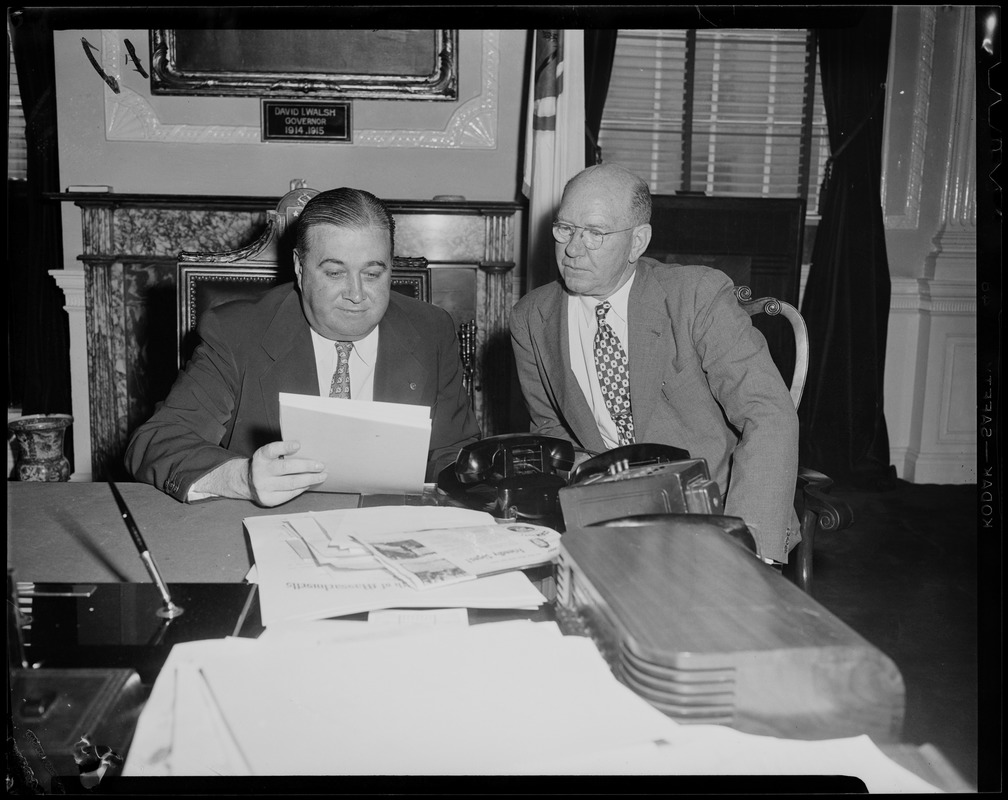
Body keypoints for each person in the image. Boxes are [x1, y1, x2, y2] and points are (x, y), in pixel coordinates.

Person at [509, 163, 799, 564]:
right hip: (600, 517)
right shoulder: (531, 317)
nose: (573, 248)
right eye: (565, 229)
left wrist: (748, 549)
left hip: (713, 513)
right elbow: (550, 429)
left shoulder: (696, 295)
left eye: (595, 233)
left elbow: (768, 412)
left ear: (636, 242)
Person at [126, 187, 480, 507]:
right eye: (335, 273)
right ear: (299, 267)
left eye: (373, 274)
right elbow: (159, 441)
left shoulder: (431, 330)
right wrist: (243, 478)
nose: (357, 294)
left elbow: (453, 452)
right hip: (271, 530)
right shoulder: (237, 333)